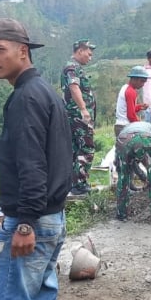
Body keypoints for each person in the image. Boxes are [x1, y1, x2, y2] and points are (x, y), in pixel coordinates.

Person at [0, 18, 72, 300]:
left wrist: (24, 224)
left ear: (23, 51)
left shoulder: (26, 98)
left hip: (32, 221)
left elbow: (33, 166)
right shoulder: (46, 92)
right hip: (53, 217)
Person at [115, 121, 151, 222]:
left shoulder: (128, 128)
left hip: (122, 140)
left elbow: (132, 164)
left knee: (123, 177)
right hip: (143, 138)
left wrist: (143, 177)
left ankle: (121, 213)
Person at [61, 39, 96, 196]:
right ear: (80, 51)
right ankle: (80, 183)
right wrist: (83, 109)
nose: (90, 57)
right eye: (88, 53)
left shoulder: (75, 67)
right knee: (86, 148)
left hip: (75, 117)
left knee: (76, 149)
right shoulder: (72, 67)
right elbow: (74, 87)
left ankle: (74, 183)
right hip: (78, 117)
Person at [115, 66, 149, 138]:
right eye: (141, 81)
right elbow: (131, 115)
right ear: (134, 79)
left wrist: (140, 107)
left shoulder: (125, 87)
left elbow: (127, 108)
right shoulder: (131, 92)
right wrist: (141, 125)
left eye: (144, 82)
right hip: (126, 127)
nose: (143, 84)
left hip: (119, 125)